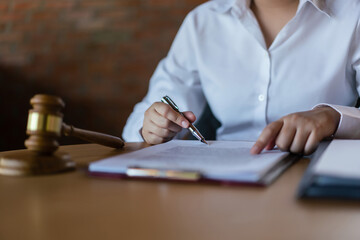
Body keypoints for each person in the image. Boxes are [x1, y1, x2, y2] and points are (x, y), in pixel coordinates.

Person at [122, 0, 360, 155]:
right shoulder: (203, 22)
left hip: (316, 173)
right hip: (224, 182)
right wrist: (151, 128)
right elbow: (145, 116)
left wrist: (332, 118)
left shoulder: (353, 16)